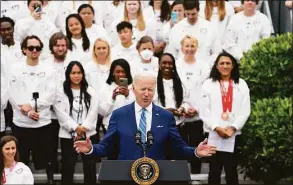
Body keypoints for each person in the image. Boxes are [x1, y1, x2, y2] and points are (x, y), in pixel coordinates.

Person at [74, 71, 217, 160]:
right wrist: (91, 149)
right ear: (133, 89)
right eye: (143, 89)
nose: (146, 93)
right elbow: (106, 147)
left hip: (157, 175)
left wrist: (196, 152)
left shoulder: (166, 116)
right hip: (126, 175)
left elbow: (178, 149)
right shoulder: (119, 115)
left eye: (150, 89)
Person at [8, 35, 57, 184]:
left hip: (43, 124)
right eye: (31, 48)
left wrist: (32, 105)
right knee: (19, 160)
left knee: (47, 160)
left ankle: (50, 181)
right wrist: (28, 111)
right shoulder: (15, 69)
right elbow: (12, 93)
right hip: (21, 124)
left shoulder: (49, 69)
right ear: (24, 50)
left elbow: (51, 95)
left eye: (38, 48)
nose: (34, 50)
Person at [199, 51, 251, 185]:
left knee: (231, 169)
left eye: (228, 63)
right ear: (216, 66)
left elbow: (245, 110)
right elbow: (204, 110)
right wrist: (217, 127)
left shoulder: (241, 84)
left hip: (233, 134)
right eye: (222, 63)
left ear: (233, 66)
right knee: (214, 170)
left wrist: (233, 127)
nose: (225, 66)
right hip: (214, 133)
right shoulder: (208, 84)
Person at [53, 61, 99, 185]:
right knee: (68, 167)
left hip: (88, 134)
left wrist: (83, 128)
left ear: (83, 74)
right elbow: (60, 113)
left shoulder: (90, 91)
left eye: (79, 73)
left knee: (90, 166)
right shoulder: (61, 91)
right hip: (68, 136)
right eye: (73, 73)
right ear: (68, 74)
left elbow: (93, 112)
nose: (76, 76)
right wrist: (75, 128)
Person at [176, 35, 210, 173]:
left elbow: (205, 90)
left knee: (197, 146)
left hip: (197, 115)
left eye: (192, 46)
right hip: (180, 115)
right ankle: (181, 176)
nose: (189, 49)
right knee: (180, 147)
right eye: (187, 46)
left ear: (197, 47)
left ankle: (196, 176)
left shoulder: (203, 66)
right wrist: (182, 107)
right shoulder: (177, 64)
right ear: (182, 48)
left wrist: (196, 108)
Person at [167, 0, 221, 66]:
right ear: (184, 11)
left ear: (198, 11)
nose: (190, 17)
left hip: (205, 68)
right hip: (182, 68)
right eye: (188, 14)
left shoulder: (209, 27)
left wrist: (208, 64)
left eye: (193, 14)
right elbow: (172, 52)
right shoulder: (177, 28)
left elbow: (217, 51)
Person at [99, 59, 135, 130]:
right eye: (118, 72)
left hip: (129, 128)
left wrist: (128, 96)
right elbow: (103, 112)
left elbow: (136, 110)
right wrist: (112, 98)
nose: (121, 74)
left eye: (123, 72)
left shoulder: (133, 87)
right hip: (110, 127)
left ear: (127, 73)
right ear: (113, 72)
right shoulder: (105, 88)